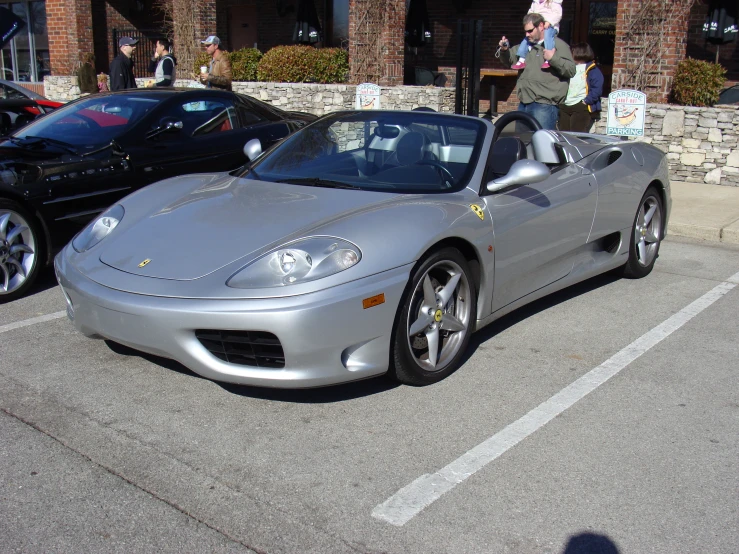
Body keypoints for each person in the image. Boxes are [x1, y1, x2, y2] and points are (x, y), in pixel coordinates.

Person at [498, 13, 576, 130]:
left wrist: (552, 58)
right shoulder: (525, 46)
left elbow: (571, 70)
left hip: (544, 105)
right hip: (524, 102)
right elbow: (510, 60)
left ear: (540, 26)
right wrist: (504, 51)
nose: (527, 34)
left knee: (541, 144)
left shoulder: (558, 45)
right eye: (525, 31)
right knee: (523, 143)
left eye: (530, 31)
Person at [558, 43, 604, 133]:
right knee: (563, 136)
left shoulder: (592, 69)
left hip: (580, 106)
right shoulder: (569, 67)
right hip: (564, 105)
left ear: (579, 53)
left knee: (576, 135)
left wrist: (586, 101)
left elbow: (597, 88)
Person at [512, 0, 564, 70]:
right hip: (537, 25)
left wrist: (549, 22)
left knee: (547, 36)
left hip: (550, 26)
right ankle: (521, 59)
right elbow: (530, 13)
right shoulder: (535, 2)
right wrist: (529, 20)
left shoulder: (554, 2)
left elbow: (557, 14)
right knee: (526, 38)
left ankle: (548, 58)